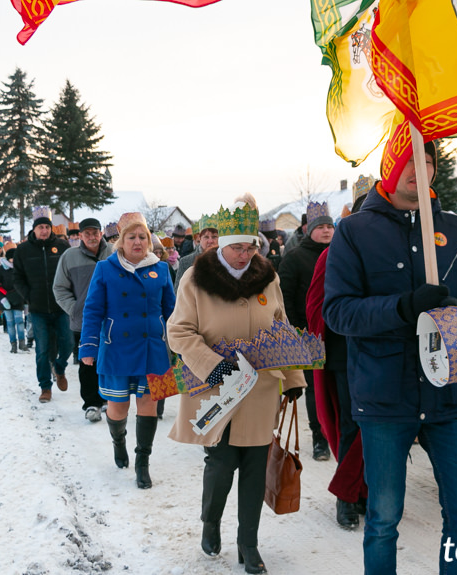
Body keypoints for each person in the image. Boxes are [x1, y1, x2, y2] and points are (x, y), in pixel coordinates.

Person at [323, 141, 457, 574]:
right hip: (385, 397)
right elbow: (338, 311)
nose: (419, 171)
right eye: (409, 161)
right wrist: (403, 306)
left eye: (428, 162)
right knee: (383, 518)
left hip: (450, 395)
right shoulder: (355, 230)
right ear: (389, 166)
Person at [167, 194, 305, 574]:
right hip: (217, 391)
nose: (245, 255)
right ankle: (211, 522)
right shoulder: (196, 278)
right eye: (237, 248)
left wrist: (293, 377)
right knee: (222, 464)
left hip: (260, 390)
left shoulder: (268, 278)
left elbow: (282, 327)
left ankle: (249, 543)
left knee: (255, 467)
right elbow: (178, 331)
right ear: (222, 246)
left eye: (251, 247)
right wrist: (211, 366)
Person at [79, 212, 175, 489]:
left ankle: (142, 461)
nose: (137, 241)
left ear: (149, 240)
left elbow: (172, 310)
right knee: (118, 407)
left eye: (142, 236)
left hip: (152, 349)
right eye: (131, 237)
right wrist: (89, 345)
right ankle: (118, 442)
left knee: (149, 406)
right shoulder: (105, 268)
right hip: (116, 347)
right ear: (121, 241)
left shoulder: (161, 269)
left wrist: (183, 344)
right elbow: (93, 309)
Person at [305, 191, 370, 530]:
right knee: (352, 425)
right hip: (345, 355)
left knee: (381, 427)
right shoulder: (331, 255)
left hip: (387, 354)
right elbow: (315, 304)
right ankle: (347, 495)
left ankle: (368, 489)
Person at [279, 201, 335, 462]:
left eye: (330, 226)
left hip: (338, 332)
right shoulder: (295, 257)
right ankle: (319, 439)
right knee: (315, 389)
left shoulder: (342, 253)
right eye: (321, 227)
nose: (326, 231)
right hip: (309, 334)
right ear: (309, 229)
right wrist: (295, 332)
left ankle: (338, 434)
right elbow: (285, 299)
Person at [53, 218, 111, 423]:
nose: (92, 237)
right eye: (87, 233)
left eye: (95, 232)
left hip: (113, 318)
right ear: (80, 236)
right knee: (87, 360)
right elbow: (59, 288)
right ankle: (91, 403)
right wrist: (75, 309)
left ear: (101, 233)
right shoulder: (70, 256)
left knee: (110, 358)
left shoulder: (114, 252)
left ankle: (108, 398)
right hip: (85, 320)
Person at [14, 207, 73, 403]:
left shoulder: (63, 246)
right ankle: (45, 387)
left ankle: (59, 367)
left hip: (61, 307)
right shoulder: (23, 250)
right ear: (34, 229)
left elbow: (71, 273)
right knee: (42, 349)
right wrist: (29, 296)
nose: (44, 231)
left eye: (47, 227)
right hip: (38, 308)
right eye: (40, 227)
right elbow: (18, 278)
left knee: (68, 343)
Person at [0, 243, 27, 353]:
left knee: (19, 321)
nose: (13, 260)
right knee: (10, 322)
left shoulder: (20, 268)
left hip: (18, 299)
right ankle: (13, 344)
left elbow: (25, 283)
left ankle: (22, 343)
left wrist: (25, 298)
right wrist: (3, 298)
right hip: (6, 300)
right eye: (11, 258)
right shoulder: (2, 269)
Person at [174, 214, 219, 290]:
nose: (210, 241)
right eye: (206, 237)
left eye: (214, 237)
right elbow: (178, 291)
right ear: (200, 238)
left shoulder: (227, 260)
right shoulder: (186, 262)